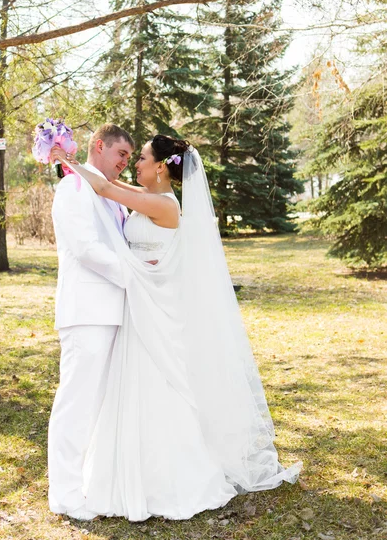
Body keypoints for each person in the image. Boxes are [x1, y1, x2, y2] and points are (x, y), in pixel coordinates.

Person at [51, 134, 301, 522]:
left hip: (152, 305)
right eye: (127, 156)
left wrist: (68, 158)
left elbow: (103, 185)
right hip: (136, 306)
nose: (133, 165)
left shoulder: (162, 205)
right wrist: (72, 163)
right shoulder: (147, 195)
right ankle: (119, 476)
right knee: (132, 386)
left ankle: (165, 478)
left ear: (162, 167)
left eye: (141, 158)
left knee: (158, 385)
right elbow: (109, 184)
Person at [48, 123, 134, 520]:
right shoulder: (73, 188)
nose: (124, 164)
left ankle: (88, 484)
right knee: (76, 403)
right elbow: (84, 247)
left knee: (99, 405)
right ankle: (64, 495)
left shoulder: (113, 198)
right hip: (85, 312)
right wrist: (134, 274)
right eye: (121, 155)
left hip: (114, 312)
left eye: (129, 159)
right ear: (99, 146)